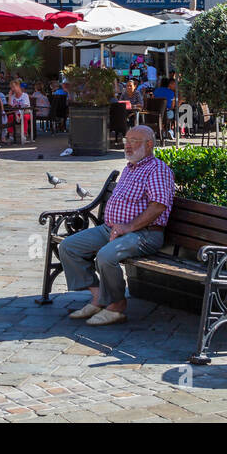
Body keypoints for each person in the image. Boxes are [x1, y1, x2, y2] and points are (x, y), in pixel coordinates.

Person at [57, 126, 175, 326]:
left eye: (134, 141)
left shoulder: (157, 169)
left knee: (106, 256)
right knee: (69, 247)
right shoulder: (130, 168)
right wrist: (120, 227)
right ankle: (98, 298)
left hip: (144, 233)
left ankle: (117, 305)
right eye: (126, 140)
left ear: (149, 144)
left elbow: (158, 206)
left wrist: (128, 227)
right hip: (112, 229)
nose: (128, 145)